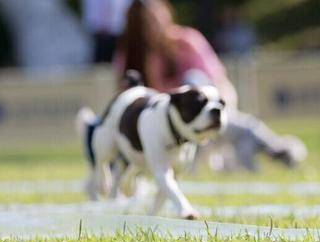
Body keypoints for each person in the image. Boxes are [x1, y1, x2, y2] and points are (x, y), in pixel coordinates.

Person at [113, 0, 305, 172]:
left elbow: (218, 85)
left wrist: (216, 117)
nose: (152, 27)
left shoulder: (186, 41)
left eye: (154, 19)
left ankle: (270, 147)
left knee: (193, 80)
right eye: (145, 23)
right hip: (167, 135)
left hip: (211, 119)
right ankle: (240, 153)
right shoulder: (129, 57)